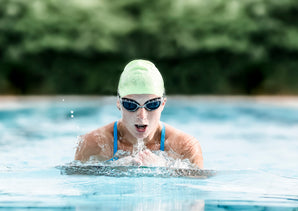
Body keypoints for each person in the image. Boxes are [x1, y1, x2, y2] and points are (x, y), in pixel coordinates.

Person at [74, 59, 203, 168]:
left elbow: (196, 191)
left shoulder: (185, 147)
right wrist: (112, 170)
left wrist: (165, 167)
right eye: (131, 105)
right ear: (119, 103)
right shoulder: (92, 144)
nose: (142, 115)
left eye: (151, 104)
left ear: (162, 104)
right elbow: (76, 183)